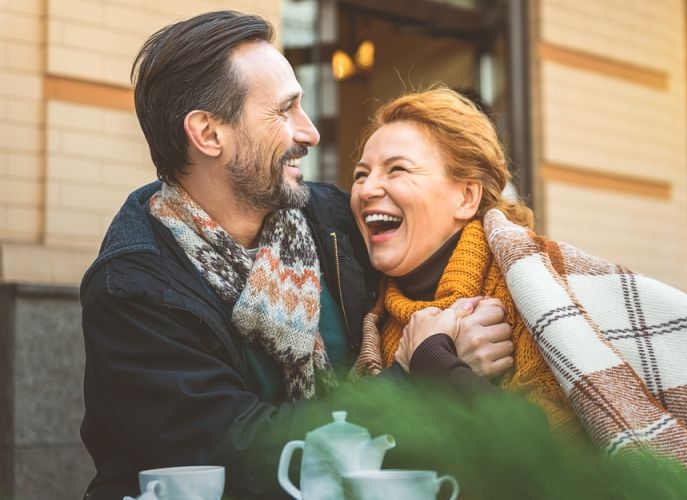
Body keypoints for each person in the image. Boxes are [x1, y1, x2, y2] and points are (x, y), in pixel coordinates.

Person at [80, 12, 512, 500]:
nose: (310, 133)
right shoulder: (135, 288)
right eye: (284, 111)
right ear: (208, 133)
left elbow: (437, 244)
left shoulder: (331, 221)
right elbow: (241, 455)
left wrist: (469, 324)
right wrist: (418, 377)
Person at [350, 86, 687, 470]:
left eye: (397, 169)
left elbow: (550, 466)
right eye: (361, 174)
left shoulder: (534, 294)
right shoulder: (368, 315)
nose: (368, 189)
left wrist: (435, 363)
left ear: (466, 196)